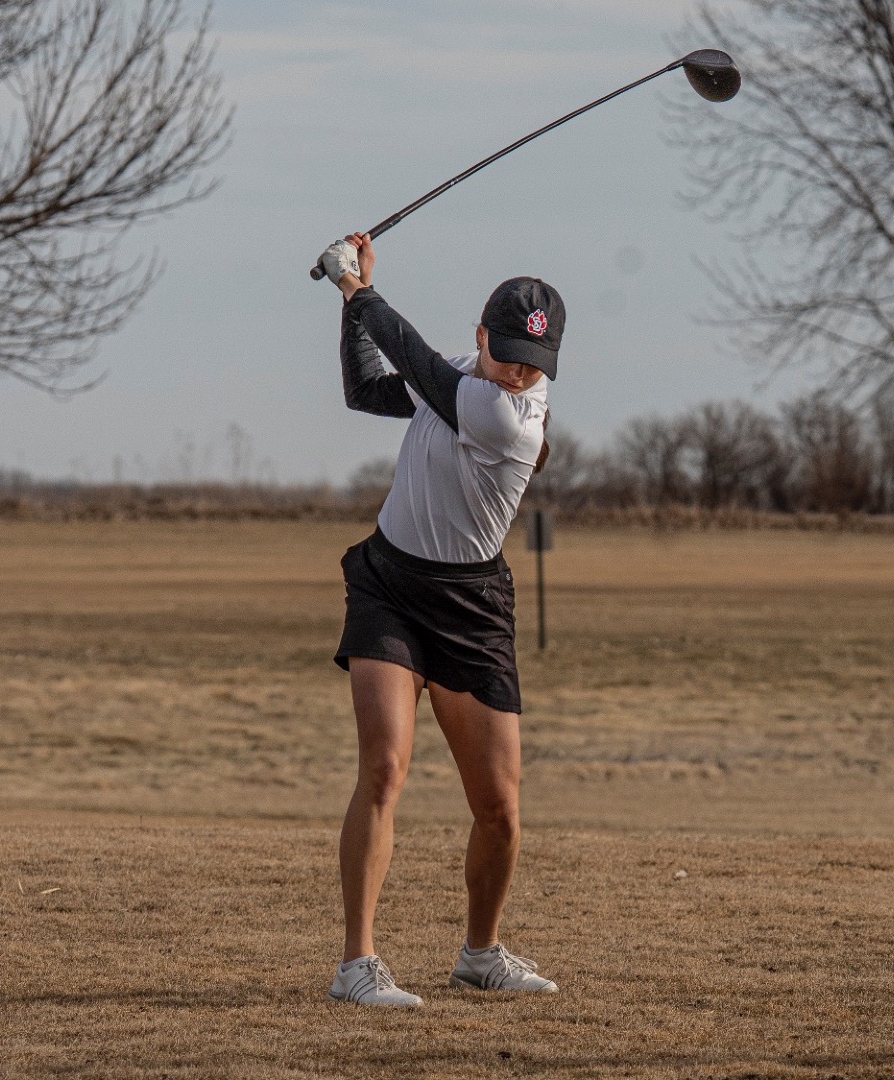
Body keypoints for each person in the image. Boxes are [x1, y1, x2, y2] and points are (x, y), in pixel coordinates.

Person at [316, 233, 560, 1008]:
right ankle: (357, 964)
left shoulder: (505, 414)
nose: (520, 371)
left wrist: (352, 287)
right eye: (509, 352)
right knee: (385, 768)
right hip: (390, 586)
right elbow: (369, 389)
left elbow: (413, 361)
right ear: (483, 336)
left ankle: (479, 954)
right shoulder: (461, 374)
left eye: (535, 364)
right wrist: (353, 306)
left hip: (471, 607)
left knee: (499, 810)